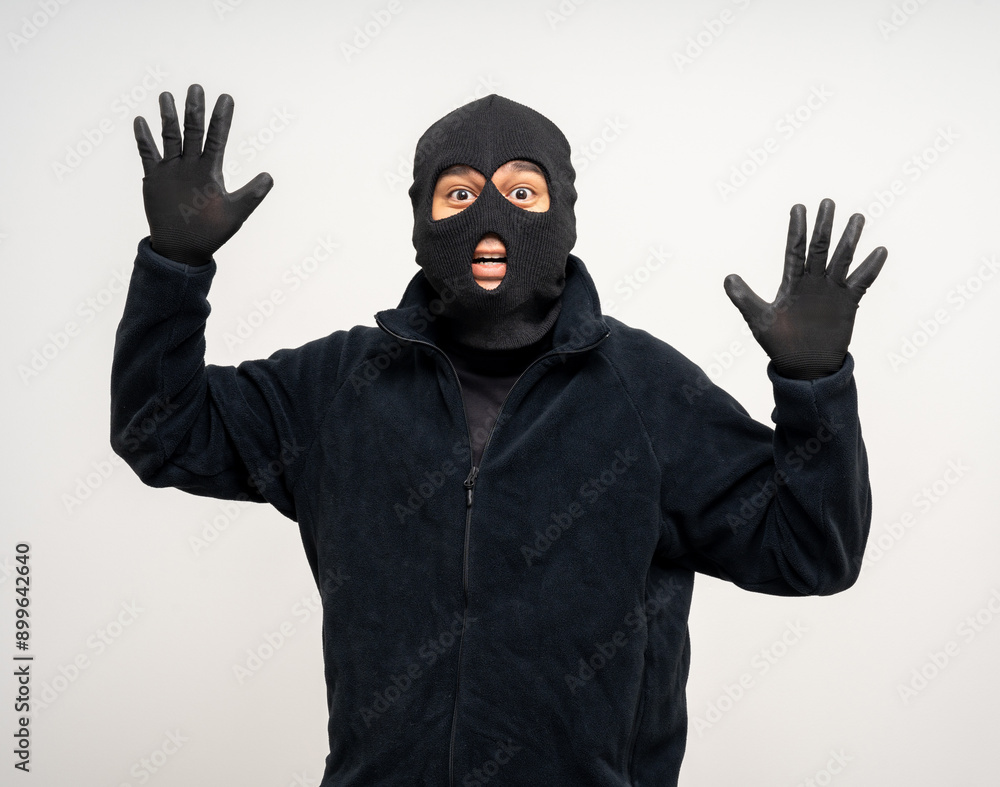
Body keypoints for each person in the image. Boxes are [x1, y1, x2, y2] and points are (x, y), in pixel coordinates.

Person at [111, 84, 886, 786]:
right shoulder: (339, 387)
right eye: (458, 193)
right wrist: (175, 266)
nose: (489, 217)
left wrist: (814, 387)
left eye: (522, 190)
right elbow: (161, 430)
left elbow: (812, 551)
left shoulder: (649, 395)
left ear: (565, 214)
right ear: (419, 216)